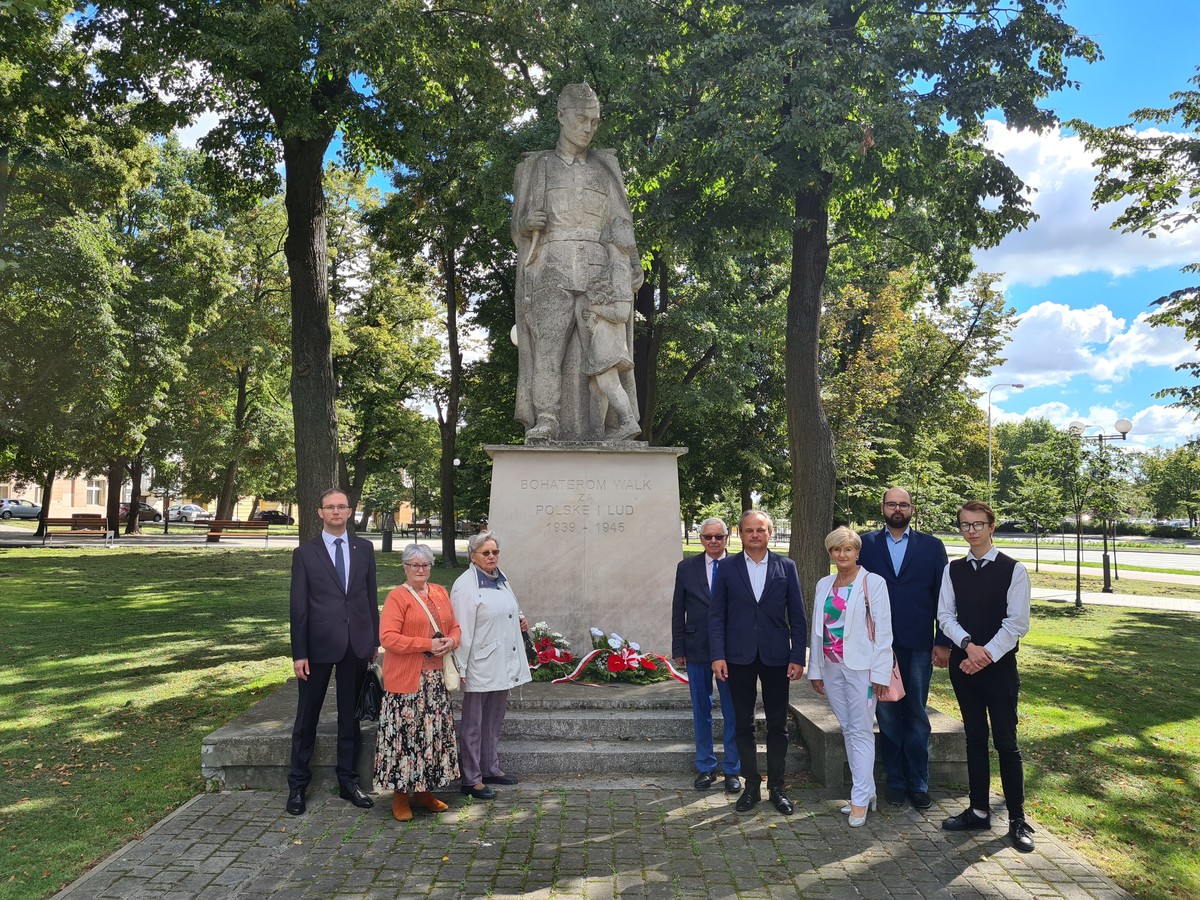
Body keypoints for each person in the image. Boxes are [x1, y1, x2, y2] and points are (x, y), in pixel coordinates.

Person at [512, 82, 642, 442]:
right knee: (547, 349)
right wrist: (524, 225)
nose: (588, 128)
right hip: (550, 269)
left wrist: (632, 263)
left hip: (598, 275)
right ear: (561, 116)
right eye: (582, 119)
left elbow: (621, 223)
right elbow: (518, 228)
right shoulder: (537, 168)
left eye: (595, 122)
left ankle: (609, 424)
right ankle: (548, 418)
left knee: (605, 357)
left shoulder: (604, 170)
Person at [937, 500, 1035, 853]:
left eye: (978, 525)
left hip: (999, 670)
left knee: (1006, 744)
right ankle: (978, 811)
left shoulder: (1013, 570)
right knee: (975, 740)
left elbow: (1016, 623)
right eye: (965, 525)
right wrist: (967, 645)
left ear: (992, 527)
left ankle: (1017, 818)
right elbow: (945, 615)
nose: (971, 531)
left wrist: (985, 654)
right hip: (964, 668)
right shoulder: (954, 570)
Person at [286, 488, 379, 816]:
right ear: (320, 512)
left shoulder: (365, 549)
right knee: (306, 717)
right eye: (330, 507)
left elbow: (369, 599)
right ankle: (297, 784)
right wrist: (299, 653)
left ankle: (348, 780)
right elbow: (298, 607)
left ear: (350, 512)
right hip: (317, 648)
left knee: (349, 719)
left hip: (356, 646)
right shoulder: (305, 554)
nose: (336, 512)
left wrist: (373, 643)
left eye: (342, 507)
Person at [856, 486, 950, 810]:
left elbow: (943, 597)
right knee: (887, 714)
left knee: (916, 714)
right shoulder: (865, 545)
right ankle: (895, 781)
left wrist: (943, 641)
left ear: (912, 509)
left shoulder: (932, 547)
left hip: (919, 644)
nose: (898, 509)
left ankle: (918, 782)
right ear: (882, 507)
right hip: (877, 646)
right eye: (892, 503)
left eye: (904, 504)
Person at [710, 510, 807, 815]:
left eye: (761, 530)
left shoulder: (786, 567)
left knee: (778, 724)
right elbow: (716, 616)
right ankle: (750, 785)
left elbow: (798, 616)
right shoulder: (726, 568)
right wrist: (717, 655)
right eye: (749, 530)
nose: (755, 535)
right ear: (740, 534)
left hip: (777, 657)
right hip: (737, 658)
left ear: (770, 533)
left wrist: (797, 656)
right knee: (742, 723)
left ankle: (777, 787)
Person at [808, 527, 894, 827]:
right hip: (831, 666)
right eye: (835, 550)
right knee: (848, 728)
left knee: (860, 729)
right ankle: (866, 790)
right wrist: (815, 670)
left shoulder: (873, 583)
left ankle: (859, 799)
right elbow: (817, 630)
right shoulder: (824, 584)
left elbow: (884, 631)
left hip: (862, 668)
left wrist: (881, 671)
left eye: (847, 549)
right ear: (829, 553)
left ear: (857, 552)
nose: (841, 555)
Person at [373, 543, 462, 821]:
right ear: (405, 568)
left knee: (431, 737)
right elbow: (387, 638)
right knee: (405, 740)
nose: (420, 569)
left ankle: (424, 792)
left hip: (435, 681)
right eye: (414, 565)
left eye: (425, 564)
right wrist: (427, 643)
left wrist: (451, 641)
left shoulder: (440, 592)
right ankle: (400, 797)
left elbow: (455, 626)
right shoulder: (397, 597)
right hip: (406, 682)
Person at [451, 531, 531, 800]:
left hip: (501, 663)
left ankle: (490, 768)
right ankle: (471, 778)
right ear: (472, 556)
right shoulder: (466, 585)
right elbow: (461, 628)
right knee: (473, 724)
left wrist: (520, 619)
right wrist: (460, 666)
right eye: (486, 553)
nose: (492, 557)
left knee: (494, 721)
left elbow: (510, 608)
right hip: (479, 664)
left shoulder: (501, 578)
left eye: (495, 552)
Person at [671, 517, 741, 793]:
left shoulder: (738, 566)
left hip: (732, 649)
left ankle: (733, 768)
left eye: (718, 537)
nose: (713, 541)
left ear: (726, 537)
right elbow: (679, 609)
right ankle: (706, 766)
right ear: (700, 538)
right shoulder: (686, 567)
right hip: (696, 647)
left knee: (732, 708)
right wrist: (678, 647)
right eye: (708, 537)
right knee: (702, 708)